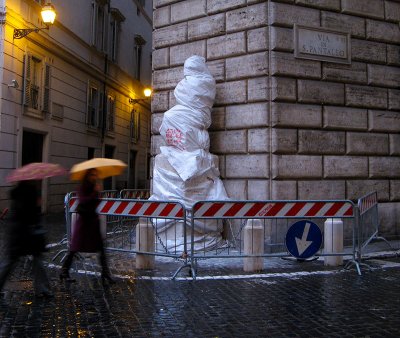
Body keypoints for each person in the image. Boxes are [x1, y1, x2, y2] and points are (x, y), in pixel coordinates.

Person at [60, 168, 115, 285]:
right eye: (92, 175)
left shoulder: (94, 187)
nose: (94, 177)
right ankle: (64, 271)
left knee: (101, 249)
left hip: (93, 224)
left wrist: (98, 193)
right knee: (74, 249)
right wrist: (95, 193)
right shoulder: (82, 188)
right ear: (87, 176)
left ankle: (105, 272)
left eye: (95, 175)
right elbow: (84, 201)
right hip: (84, 224)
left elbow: (96, 202)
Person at [0, 180, 53, 298]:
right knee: (14, 261)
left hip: (22, 233)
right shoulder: (27, 193)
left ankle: (43, 289)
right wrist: (36, 205)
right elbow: (26, 213)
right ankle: (43, 289)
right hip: (24, 233)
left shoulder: (18, 192)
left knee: (17, 261)